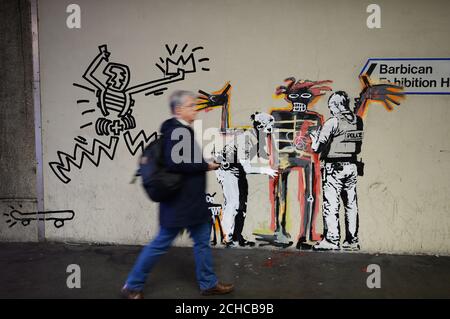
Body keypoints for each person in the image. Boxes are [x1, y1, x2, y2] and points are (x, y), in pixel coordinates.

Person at [121, 90, 234, 298]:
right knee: (160, 243)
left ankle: (208, 283)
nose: (195, 109)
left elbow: (183, 160)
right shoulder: (177, 131)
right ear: (179, 109)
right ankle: (132, 286)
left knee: (201, 241)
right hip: (180, 203)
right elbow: (177, 162)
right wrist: (206, 165)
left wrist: (201, 164)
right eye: (191, 105)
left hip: (190, 202)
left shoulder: (179, 130)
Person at [310, 91, 363, 251]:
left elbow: (318, 147)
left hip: (334, 168)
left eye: (331, 106)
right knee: (351, 205)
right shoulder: (358, 121)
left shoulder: (332, 122)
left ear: (338, 105)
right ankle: (352, 240)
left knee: (331, 205)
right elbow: (357, 146)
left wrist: (314, 138)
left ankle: (332, 240)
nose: (331, 110)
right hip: (352, 166)